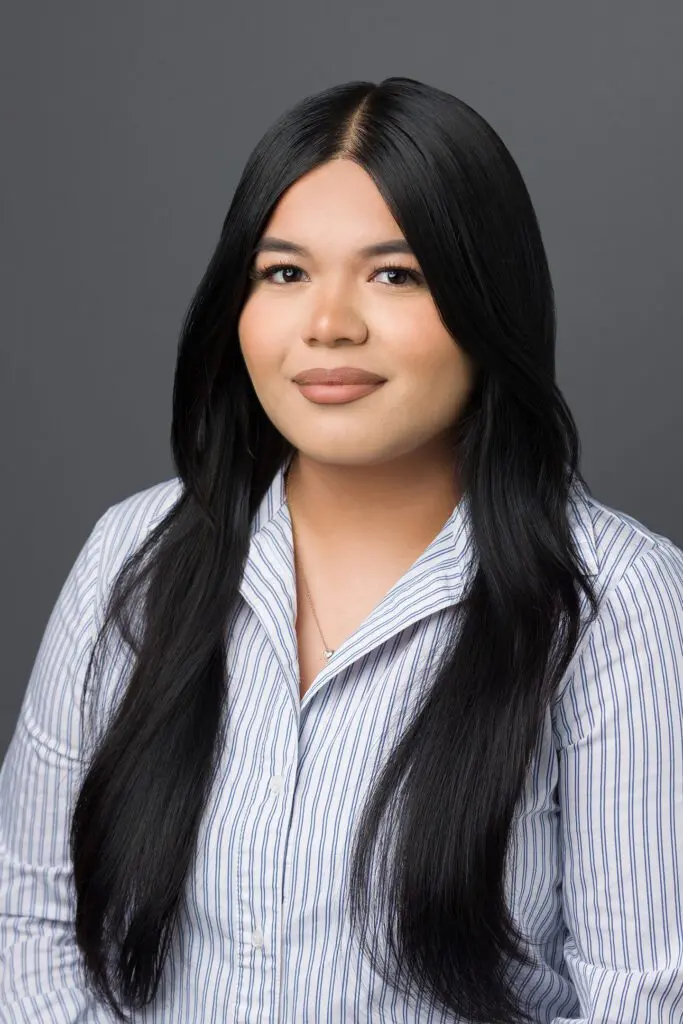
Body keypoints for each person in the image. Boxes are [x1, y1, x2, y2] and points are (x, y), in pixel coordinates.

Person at [1, 76, 682, 1024]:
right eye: (283, 273)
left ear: (490, 308)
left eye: (394, 274)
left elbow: (645, 1001)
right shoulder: (134, 559)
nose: (328, 323)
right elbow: (24, 918)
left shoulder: (615, 604)